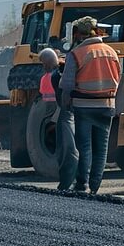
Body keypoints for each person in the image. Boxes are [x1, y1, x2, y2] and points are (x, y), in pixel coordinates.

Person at [60, 17, 120, 193]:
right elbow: (118, 78)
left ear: (79, 33)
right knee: (101, 148)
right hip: (107, 105)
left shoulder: (77, 53)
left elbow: (68, 83)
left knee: (85, 146)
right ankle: (95, 185)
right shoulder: (112, 52)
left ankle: (82, 184)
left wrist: (65, 102)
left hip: (84, 105)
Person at [39, 47, 78, 191]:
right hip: (76, 109)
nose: (43, 67)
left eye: (43, 63)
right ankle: (79, 181)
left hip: (65, 112)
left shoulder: (53, 76)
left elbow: (55, 100)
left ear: (48, 63)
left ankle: (67, 182)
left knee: (67, 147)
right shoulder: (61, 71)